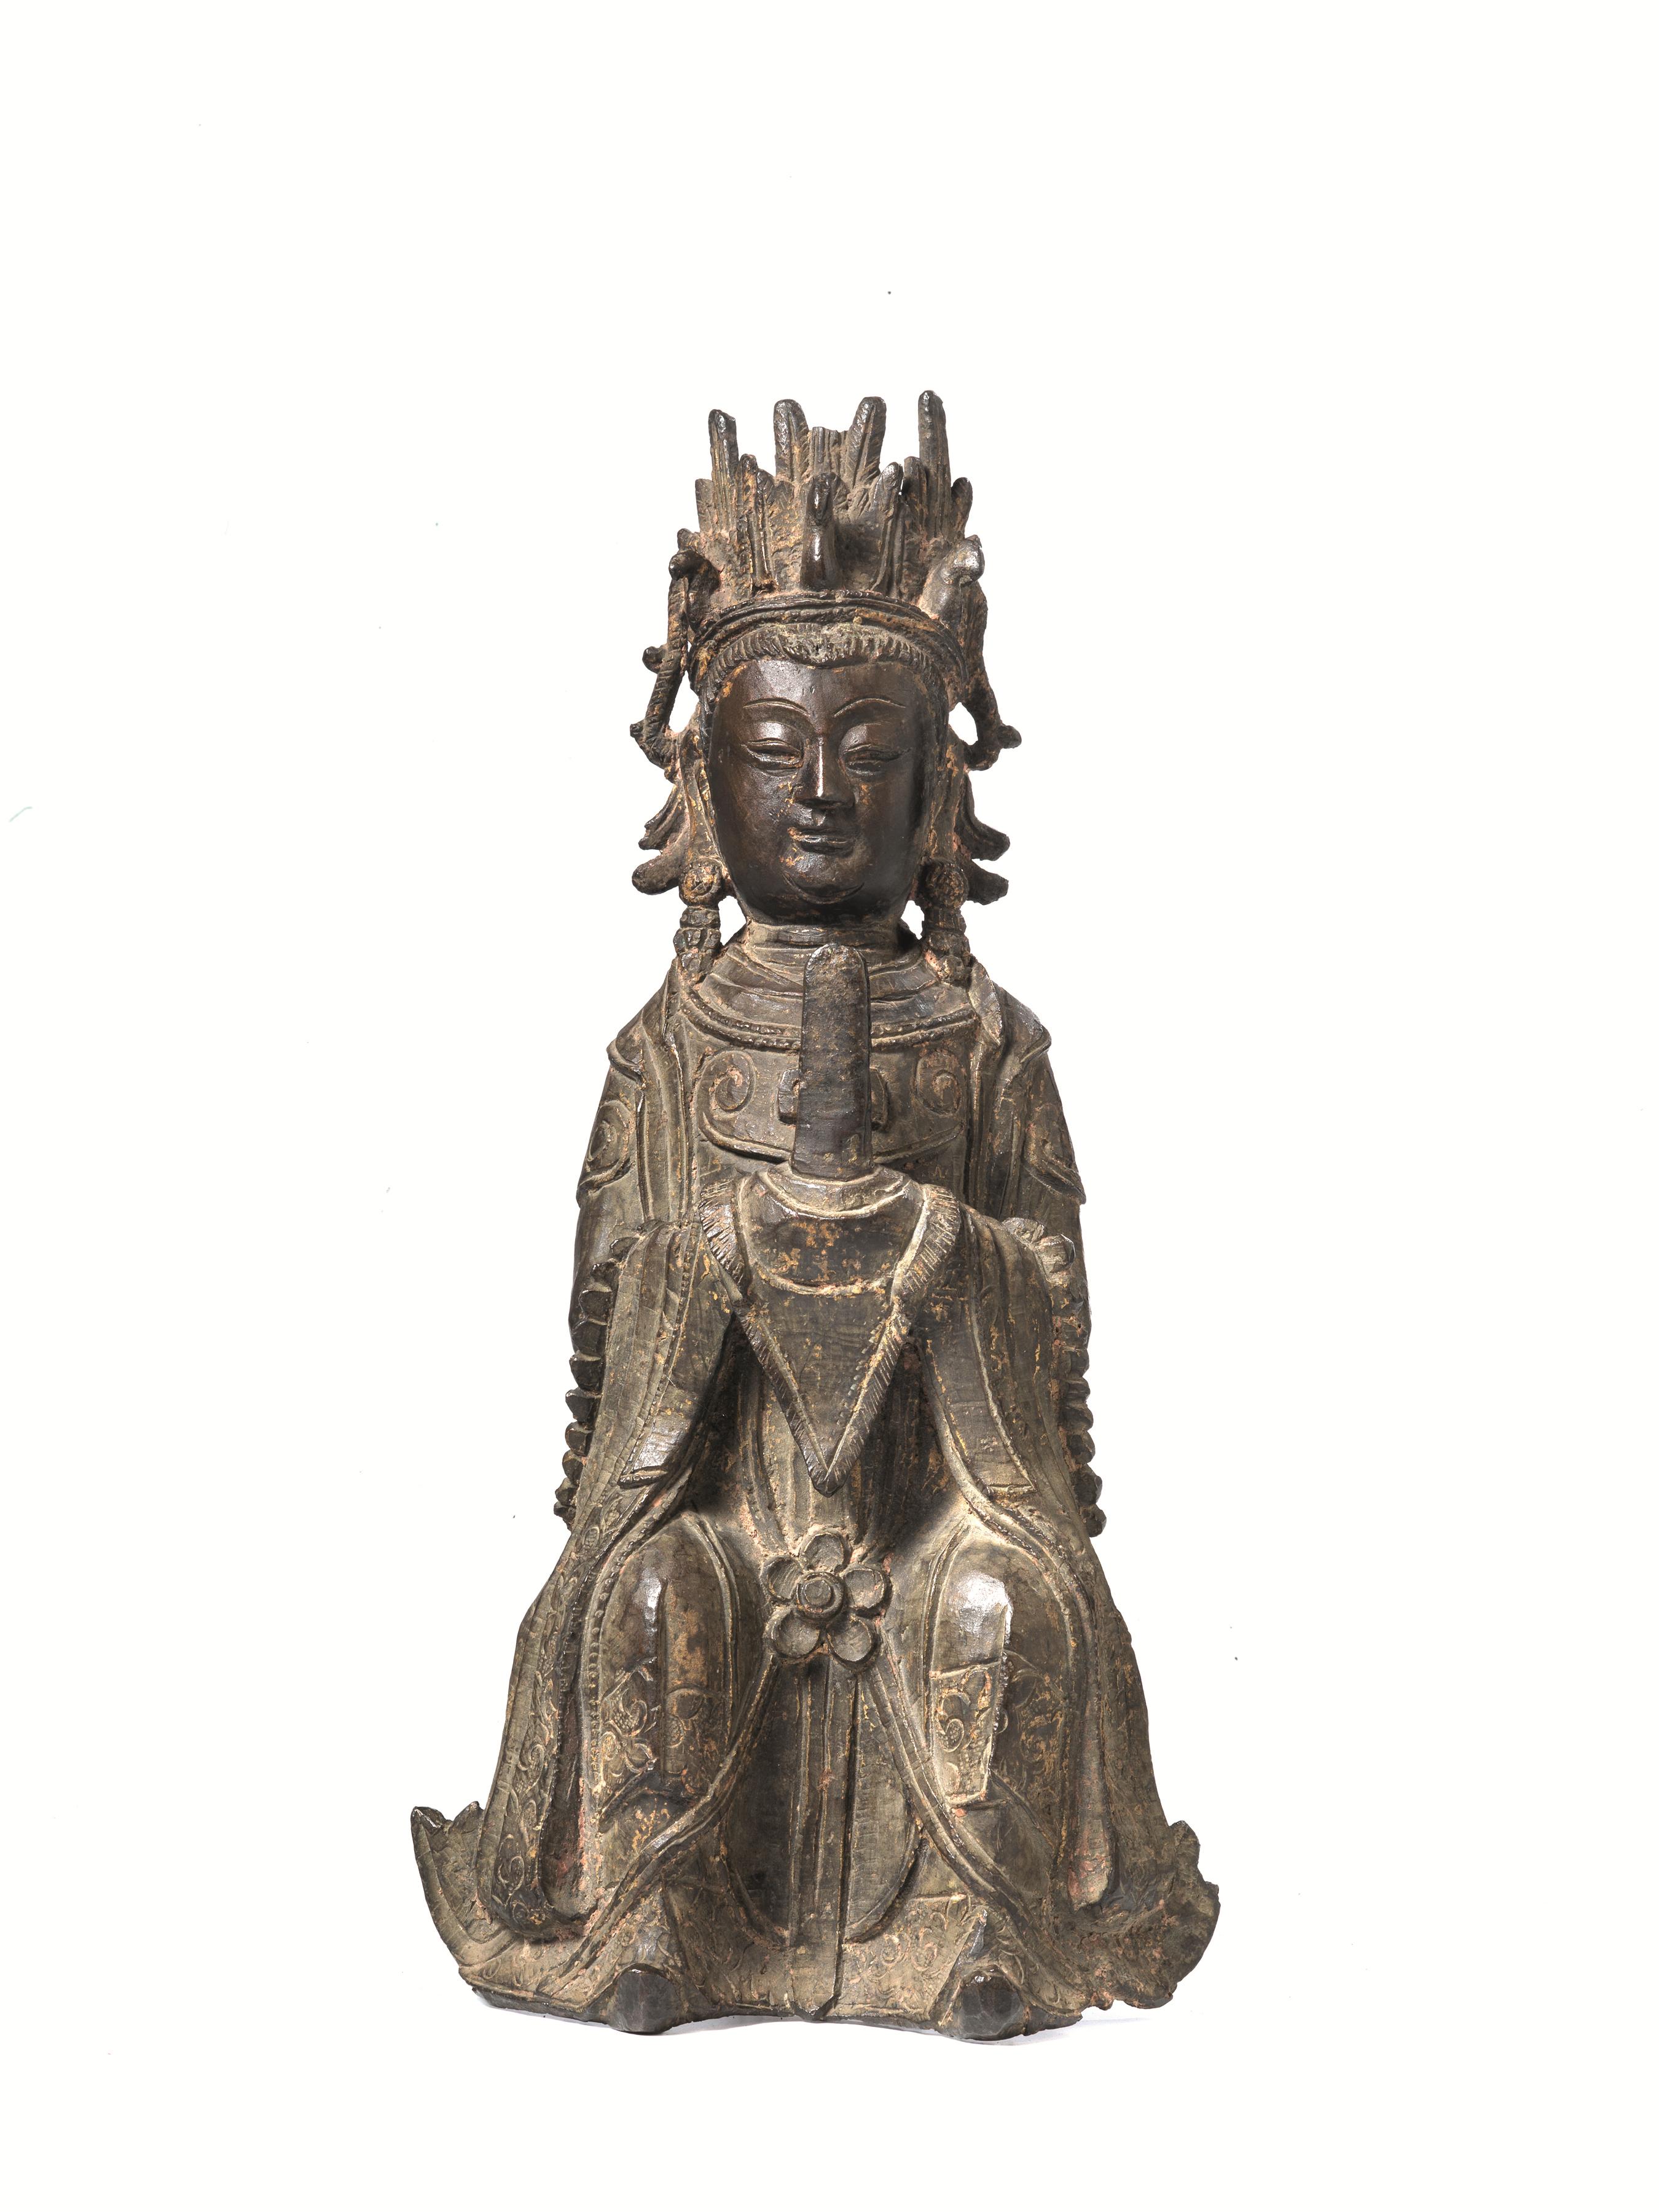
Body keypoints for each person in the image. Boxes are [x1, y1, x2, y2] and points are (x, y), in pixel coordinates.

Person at [414, 394, 1217, 2036]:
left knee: (999, 1606)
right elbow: (603, 1312)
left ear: (935, 795)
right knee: (652, 1596)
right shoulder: (668, 1050)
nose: (824, 795)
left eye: (871, 755)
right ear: (705, 785)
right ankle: (650, 1910)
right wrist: (718, 1257)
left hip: (937, 1484)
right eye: (775, 755)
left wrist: (944, 1251)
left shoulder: (986, 1048)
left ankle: (985, 1924)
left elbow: (1056, 1297)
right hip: (720, 1474)